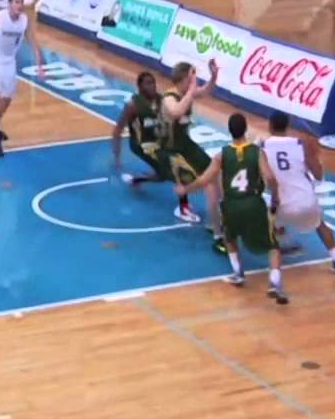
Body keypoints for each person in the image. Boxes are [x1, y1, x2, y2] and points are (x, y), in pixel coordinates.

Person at [178, 113, 289, 304]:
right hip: (253, 202)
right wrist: (276, 196)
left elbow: (205, 179)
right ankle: (274, 282)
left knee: (230, 238)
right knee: (272, 246)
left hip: (230, 205)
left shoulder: (222, 155)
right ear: (245, 129)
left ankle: (238, 273)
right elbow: (270, 178)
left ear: (229, 131)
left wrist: (185, 188)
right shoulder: (257, 152)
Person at [261, 110, 335, 276]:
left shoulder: (262, 147)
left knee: (266, 214)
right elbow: (318, 174)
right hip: (306, 202)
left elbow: (261, 179)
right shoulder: (301, 145)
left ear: (270, 126)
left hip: (282, 205)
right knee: (321, 225)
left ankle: (279, 255)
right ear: (287, 126)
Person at [160, 60, 226, 253]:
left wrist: (214, 76)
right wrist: (191, 91)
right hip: (170, 149)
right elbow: (175, 112)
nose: (194, 80)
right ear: (185, 78)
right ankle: (215, 231)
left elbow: (205, 91)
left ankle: (214, 223)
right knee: (208, 182)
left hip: (185, 145)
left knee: (215, 177)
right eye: (192, 76)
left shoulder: (186, 92)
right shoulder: (169, 97)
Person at [113, 71, 199, 217]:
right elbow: (118, 130)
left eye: (153, 82)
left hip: (158, 142)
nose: (152, 86)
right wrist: (117, 156)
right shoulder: (132, 105)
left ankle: (137, 179)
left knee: (163, 175)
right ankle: (183, 208)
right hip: (141, 145)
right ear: (139, 87)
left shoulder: (162, 100)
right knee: (176, 164)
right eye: (148, 83)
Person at [0, 0, 44, 157]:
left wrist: (40, 64)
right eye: (16, 2)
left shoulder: (24, 21)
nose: (19, 6)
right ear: (9, 4)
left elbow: (34, 43)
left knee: (6, 100)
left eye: (21, 2)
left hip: (9, 63)